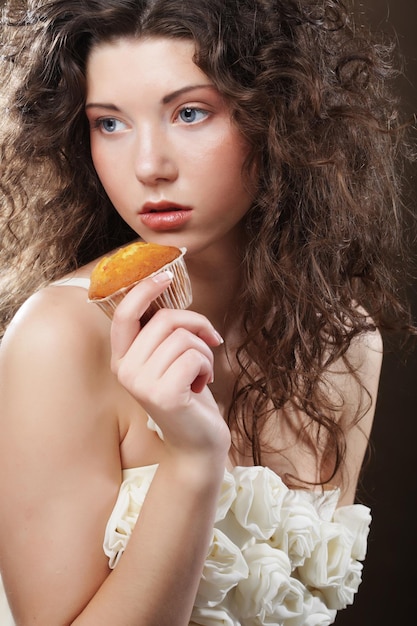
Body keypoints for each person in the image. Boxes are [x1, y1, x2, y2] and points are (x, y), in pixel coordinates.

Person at [0, 0, 415, 624]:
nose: (148, 167)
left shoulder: (344, 339)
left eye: (190, 113)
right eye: (109, 123)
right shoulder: (58, 338)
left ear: (276, 116)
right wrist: (194, 462)